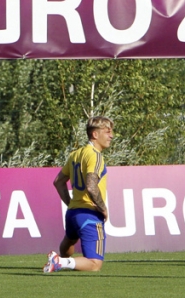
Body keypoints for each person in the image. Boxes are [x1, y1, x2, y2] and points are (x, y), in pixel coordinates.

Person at [43, 116, 113, 273]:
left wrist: (71, 204)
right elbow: (91, 185)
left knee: (68, 242)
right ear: (95, 134)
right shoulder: (95, 155)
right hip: (89, 213)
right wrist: (103, 208)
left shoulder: (76, 154)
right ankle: (59, 262)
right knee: (95, 264)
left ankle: (61, 261)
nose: (111, 135)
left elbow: (58, 182)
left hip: (73, 213)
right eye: (107, 131)